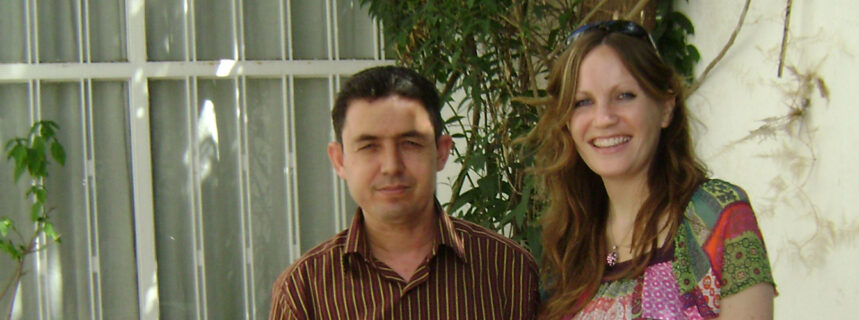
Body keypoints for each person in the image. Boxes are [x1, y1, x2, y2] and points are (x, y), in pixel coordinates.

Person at [525, 20, 776, 319]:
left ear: (666, 108)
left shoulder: (714, 216)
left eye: (624, 96)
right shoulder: (567, 249)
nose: (603, 118)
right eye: (583, 102)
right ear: (567, 122)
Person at [269, 66, 539, 319]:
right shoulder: (304, 291)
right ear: (339, 160)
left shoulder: (508, 270)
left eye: (410, 143)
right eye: (369, 146)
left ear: (441, 152)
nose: (391, 166)